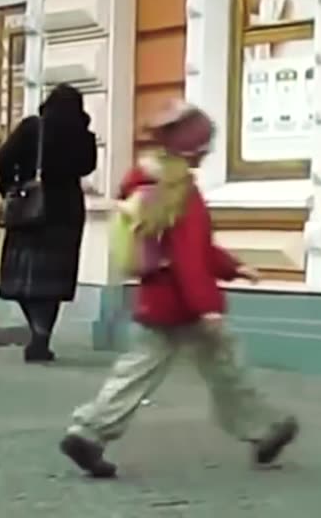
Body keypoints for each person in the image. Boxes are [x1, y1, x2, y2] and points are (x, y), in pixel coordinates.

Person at [58, 100, 299, 479]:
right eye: (204, 145)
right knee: (223, 369)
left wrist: (234, 267)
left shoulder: (149, 180)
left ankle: (89, 432)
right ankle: (263, 430)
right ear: (192, 147)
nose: (207, 152)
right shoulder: (179, 190)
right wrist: (208, 308)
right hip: (183, 305)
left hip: (159, 298)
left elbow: (191, 249)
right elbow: (189, 256)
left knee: (151, 370)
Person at [0, 83, 97, 363]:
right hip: (66, 213)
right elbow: (87, 167)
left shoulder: (32, 128)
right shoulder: (84, 137)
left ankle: (37, 331)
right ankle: (42, 335)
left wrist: (11, 186)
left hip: (31, 211)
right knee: (53, 281)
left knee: (24, 277)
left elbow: (3, 158)